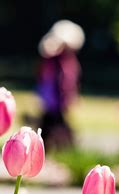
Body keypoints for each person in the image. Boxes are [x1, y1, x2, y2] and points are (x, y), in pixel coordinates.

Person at [36, 20, 84, 149]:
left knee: (53, 120)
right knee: (53, 120)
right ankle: (61, 144)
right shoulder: (55, 58)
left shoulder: (67, 60)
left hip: (56, 96)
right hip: (53, 95)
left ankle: (53, 144)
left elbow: (69, 79)